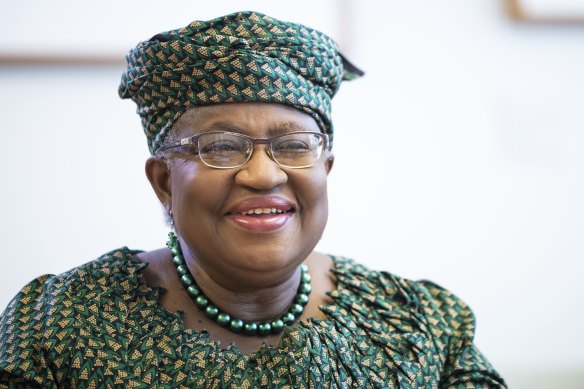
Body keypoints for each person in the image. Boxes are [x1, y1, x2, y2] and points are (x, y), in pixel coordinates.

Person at [0, 11, 506, 388]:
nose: (264, 175)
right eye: (221, 147)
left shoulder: (421, 330)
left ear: (325, 170)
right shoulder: (60, 329)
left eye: (292, 147)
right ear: (163, 182)